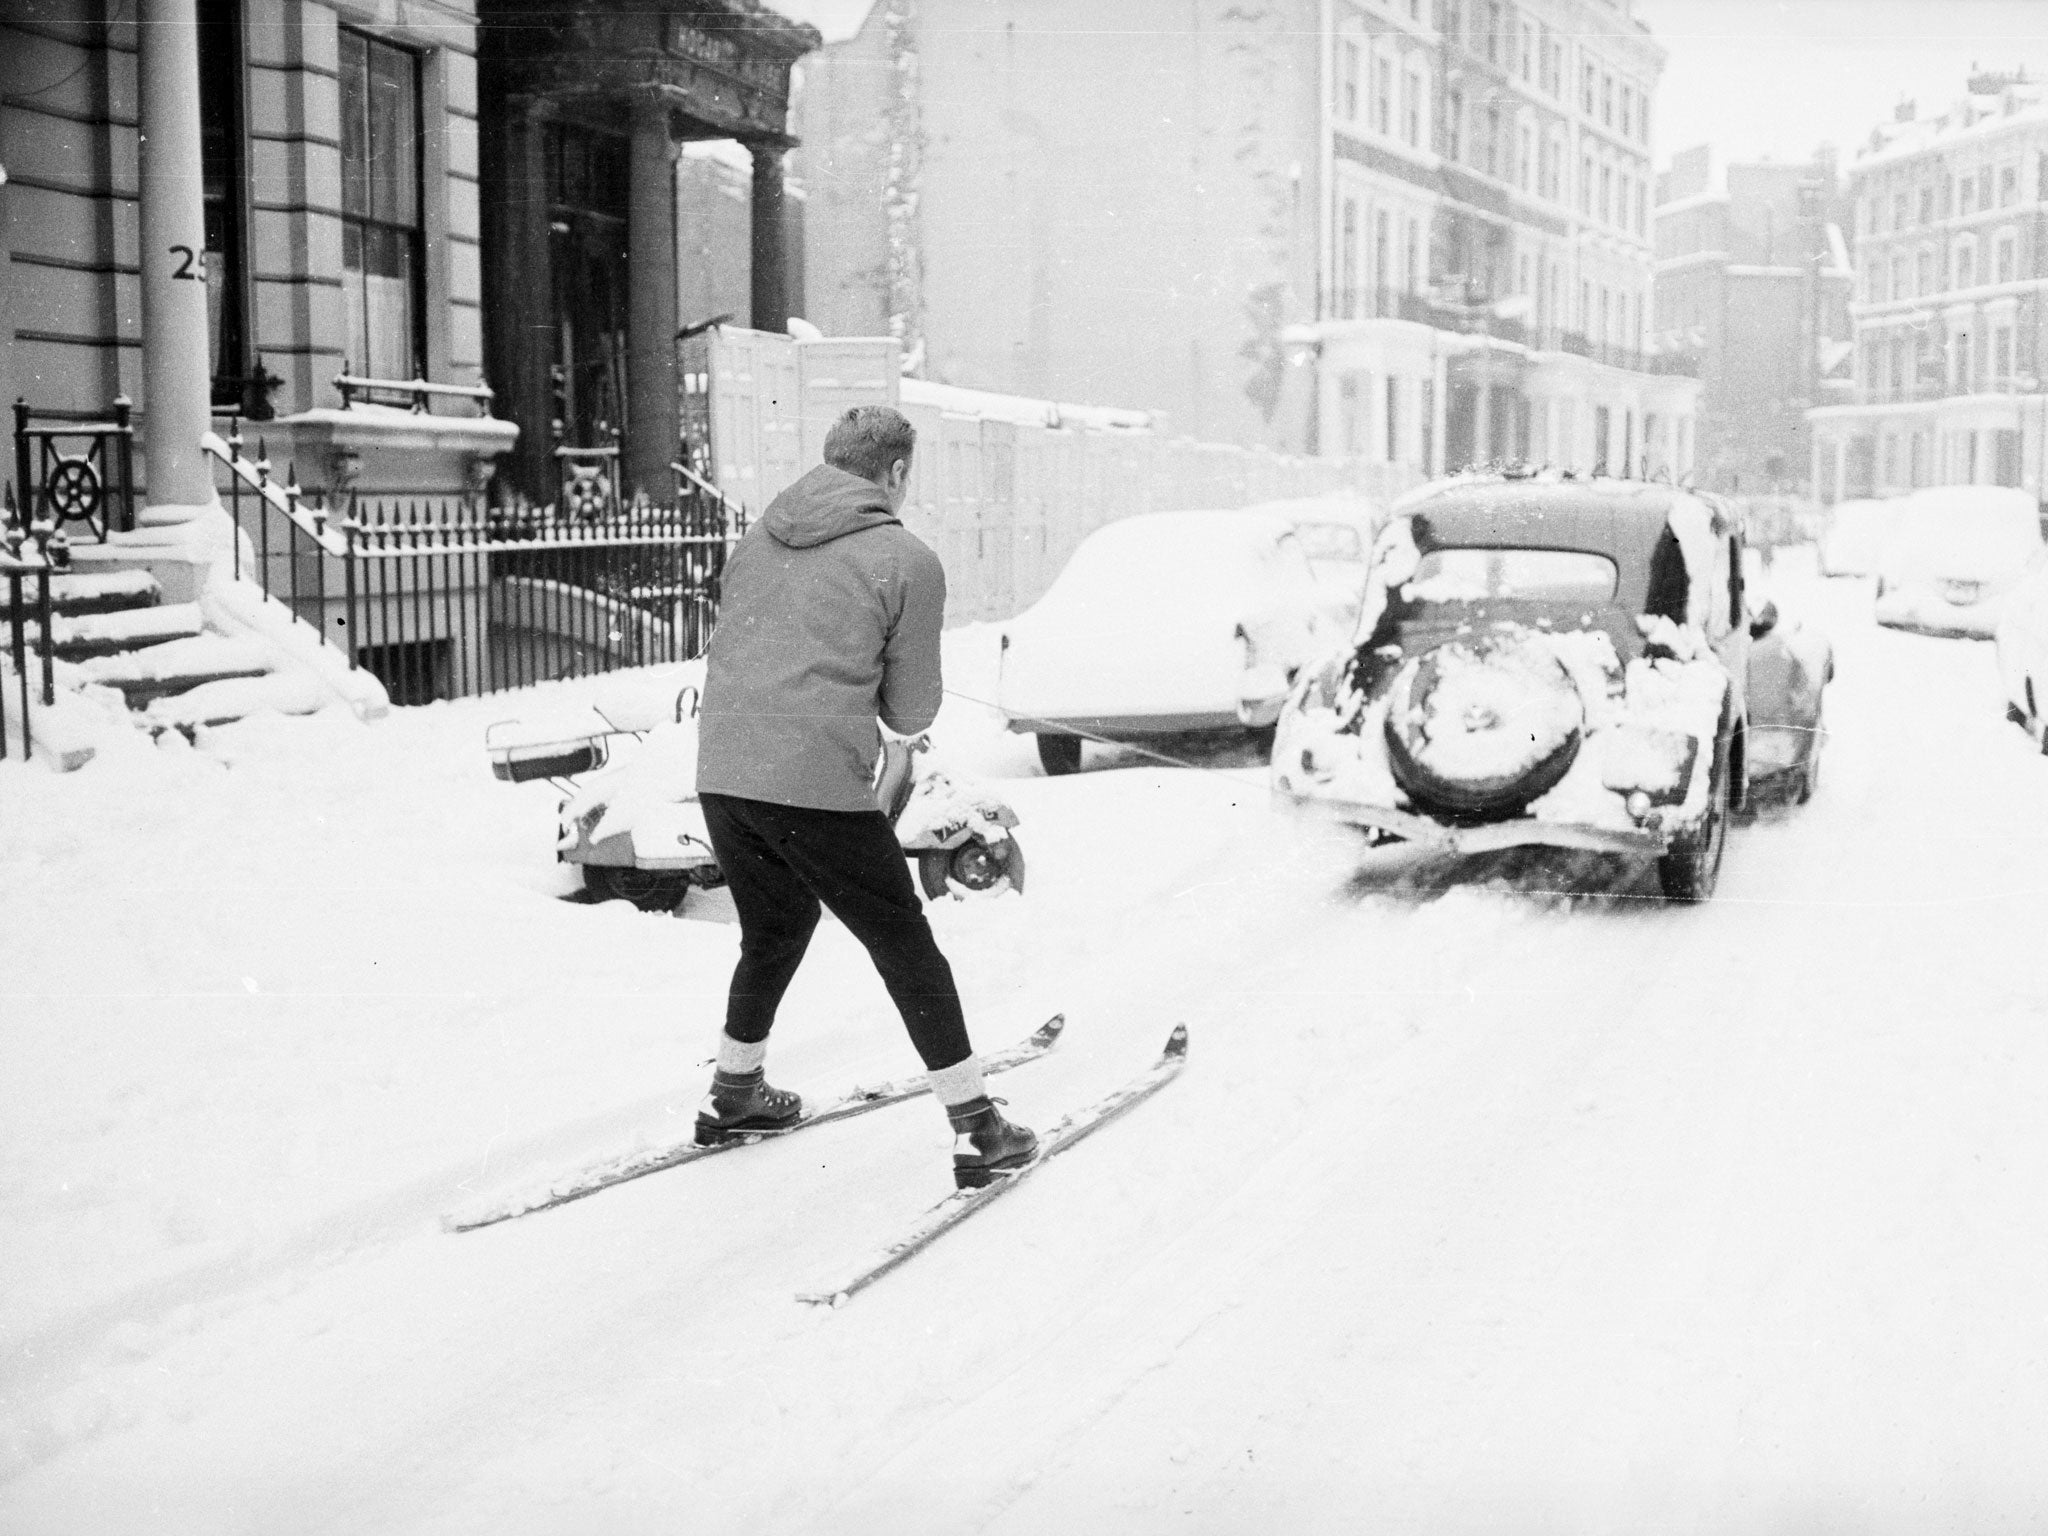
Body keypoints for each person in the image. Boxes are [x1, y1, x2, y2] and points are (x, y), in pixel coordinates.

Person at [691, 405, 1038, 1188]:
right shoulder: (906, 558)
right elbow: (909, 713)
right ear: (897, 473)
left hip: (724, 772)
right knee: (904, 943)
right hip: (811, 780)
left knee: (776, 926)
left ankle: (736, 1090)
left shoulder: (756, 536)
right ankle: (979, 1128)